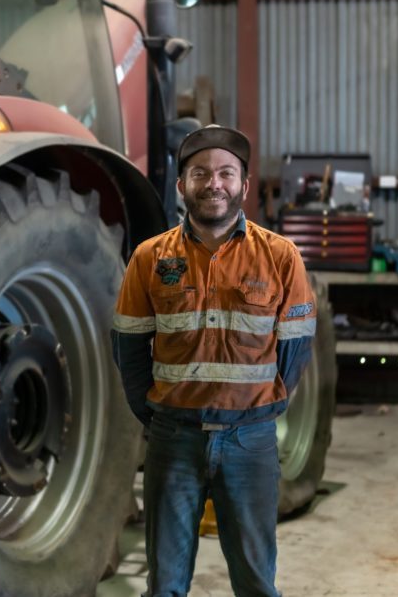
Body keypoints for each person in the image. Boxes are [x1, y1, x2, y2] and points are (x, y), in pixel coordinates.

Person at [111, 124, 316, 597]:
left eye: (226, 172)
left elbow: (294, 348)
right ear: (182, 186)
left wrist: (259, 409)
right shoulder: (149, 258)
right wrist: (158, 413)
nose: (213, 183)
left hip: (251, 441)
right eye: (200, 173)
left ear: (243, 185)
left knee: (256, 583)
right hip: (172, 440)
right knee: (164, 585)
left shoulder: (281, 257)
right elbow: (129, 345)